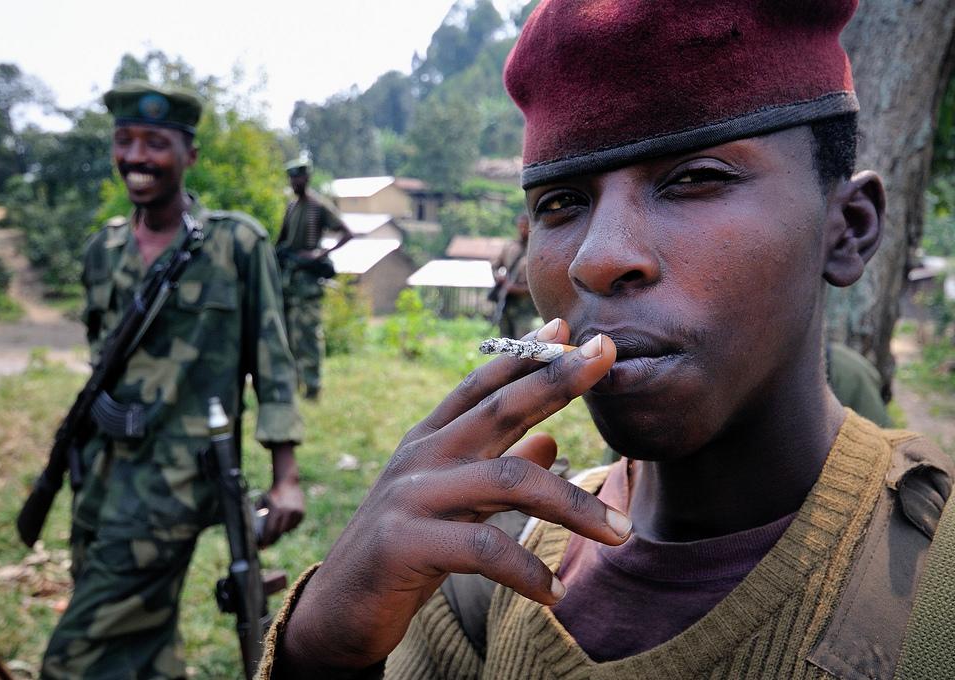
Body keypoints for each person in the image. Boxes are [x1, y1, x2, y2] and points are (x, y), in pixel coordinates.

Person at [259, 1, 954, 678]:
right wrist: (320, 654)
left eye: (695, 179)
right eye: (560, 204)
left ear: (850, 226)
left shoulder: (935, 581)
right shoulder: (485, 570)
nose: (598, 257)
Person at [41, 81, 305, 679]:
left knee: (76, 658)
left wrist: (285, 475)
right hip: (100, 475)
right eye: (125, 141)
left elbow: (272, 360)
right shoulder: (102, 249)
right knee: (144, 639)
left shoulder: (236, 243)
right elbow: (99, 360)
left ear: (188, 156)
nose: (137, 157)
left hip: (178, 480)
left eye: (155, 143)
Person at [276, 157, 353, 400]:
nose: (294, 182)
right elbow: (281, 242)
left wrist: (321, 253)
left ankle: (312, 389)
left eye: (297, 177)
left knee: (308, 336)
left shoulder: (318, 206)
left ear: (306, 178)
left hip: (308, 283)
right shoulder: (291, 206)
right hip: (289, 281)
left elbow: (346, 232)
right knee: (287, 336)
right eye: (291, 177)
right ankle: (292, 386)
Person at [491, 213, 539, 339]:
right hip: (506, 302)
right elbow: (495, 266)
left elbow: (539, 284)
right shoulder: (509, 247)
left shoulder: (537, 248)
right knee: (504, 340)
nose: (523, 230)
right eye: (521, 226)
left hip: (525, 306)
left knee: (522, 341)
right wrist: (499, 277)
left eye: (526, 227)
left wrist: (518, 289)